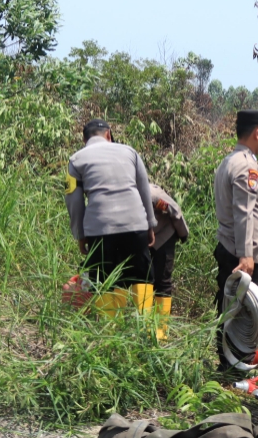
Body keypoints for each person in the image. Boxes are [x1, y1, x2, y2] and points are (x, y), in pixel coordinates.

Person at [65, 118, 156, 314]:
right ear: (108, 134)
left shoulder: (76, 159)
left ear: (85, 139)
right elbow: (144, 190)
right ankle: (148, 330)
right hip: (135, 225)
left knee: (103, 279)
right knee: (141, 276)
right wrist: (150, 225)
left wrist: (80, 235)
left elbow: (74, 201)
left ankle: (110, 332)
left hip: (99, 229)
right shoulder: (130, 152)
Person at [213, 110, 258, 372]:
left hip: (232, 247)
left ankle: (230, 362)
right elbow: (244, 213)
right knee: (247, 311)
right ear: (257, 132)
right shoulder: (246, 166)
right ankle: (237, 366)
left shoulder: (230, 160)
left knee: (230, 305)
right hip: (246, 255)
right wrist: (246, 255)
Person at [148, 182, 189, 339]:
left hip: (163, 235)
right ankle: (144, 326)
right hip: (143, 238)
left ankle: (161, 330)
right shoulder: (122, 194)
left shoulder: (152, 195)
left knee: (162, 280)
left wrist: (183, 233)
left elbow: (175, 211)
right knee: (145, 280)